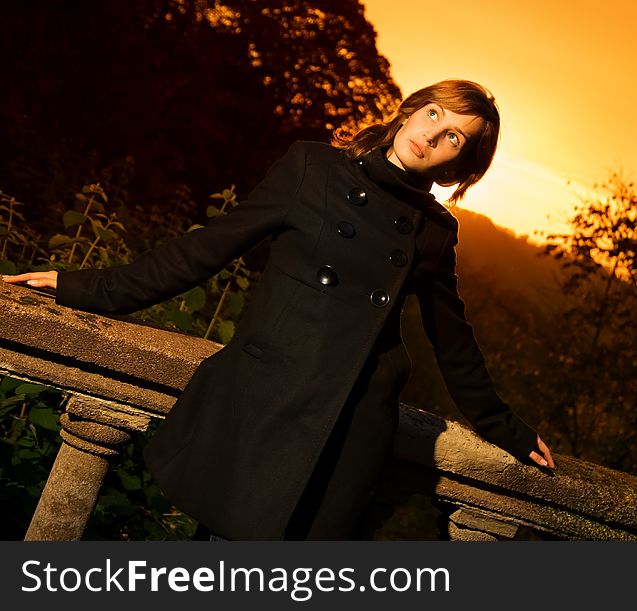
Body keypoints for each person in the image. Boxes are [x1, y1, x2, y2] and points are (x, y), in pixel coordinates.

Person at [2, 78, 556, 540]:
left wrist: (508, 429)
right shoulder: (312, 168)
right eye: (432, 114)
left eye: (454, 135)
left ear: (459, 164)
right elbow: (204, 250)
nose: (433, 134)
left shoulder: (435, 232)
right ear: (408, 111)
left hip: (346, 432)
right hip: (263, 407)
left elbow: (453, 341)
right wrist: (82, 286)